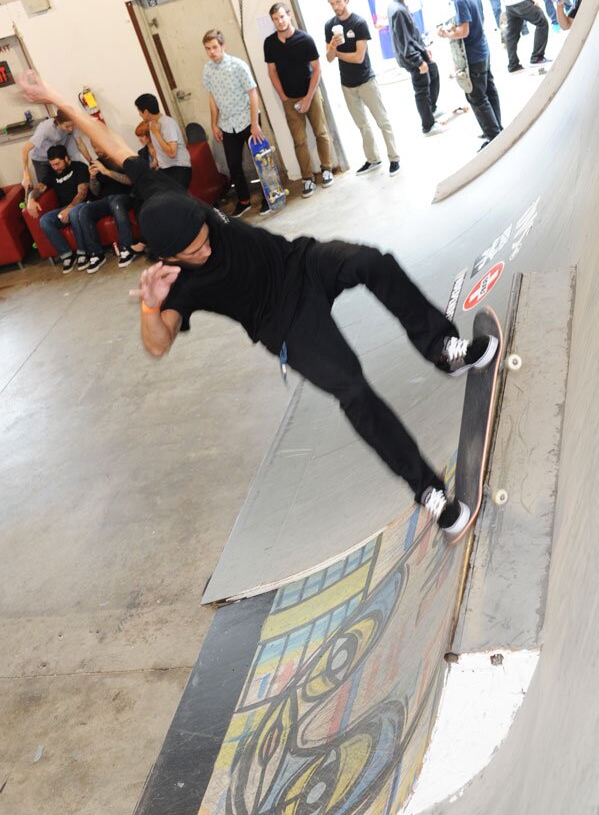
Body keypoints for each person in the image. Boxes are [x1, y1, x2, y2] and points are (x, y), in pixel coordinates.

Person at [19, 70, 501, 538]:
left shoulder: (160, 189)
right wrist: (149, 306)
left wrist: (55, 97)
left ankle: (442, 348)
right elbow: (158, 344)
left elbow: (110, 141)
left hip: (299, 262)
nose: (205, 250)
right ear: (168, 257)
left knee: (373, 262)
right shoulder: (177, 282)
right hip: (284, 323)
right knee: (352, 390)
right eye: (192, 253)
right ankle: (429, 491)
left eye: (205, 236)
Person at [325, 0, 401, 177]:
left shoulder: (359, 23)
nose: (335, 7)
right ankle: (373, 159)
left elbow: (359, 57)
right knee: (362, 125)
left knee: (382, 121)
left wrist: (338, 53)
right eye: (332, 4)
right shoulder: (329, 26)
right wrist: (333, 45)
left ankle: (394, 158)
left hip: (366, 80)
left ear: (346, 0)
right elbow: (328, 57)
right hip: (347, 84)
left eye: (338, 2)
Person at [264, 2, 334, 199]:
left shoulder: (305, 39)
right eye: (275, 19)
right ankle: (307, 178)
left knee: (321, 133)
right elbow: (272, 72)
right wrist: (284, 98)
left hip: (310, 94)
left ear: (289, 16)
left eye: (282, 17)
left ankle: (326, 169)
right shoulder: (269, 43)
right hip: (289, 98)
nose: (279, 21)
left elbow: (317, 69)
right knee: (299, 141)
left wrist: (308, 98)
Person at [203, 28, 269, 217]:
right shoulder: (207, 70)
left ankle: (268, 197)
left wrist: (254, 123)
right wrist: (214, 124)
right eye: (208, 48)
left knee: (260, 160)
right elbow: (212, 98)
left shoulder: (238, 65)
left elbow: (252, 92)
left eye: (215, 47)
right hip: (227, 124)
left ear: (223, 46)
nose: (212, 52)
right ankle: (244, 200)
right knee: (233, 164)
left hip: (247, 120)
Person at [438, 0, 503, 150]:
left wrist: (447, 33)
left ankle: (494, 137)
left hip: (473, 55)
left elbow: (463, 31)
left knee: (476, 96)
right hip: (482, 48)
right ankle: (496, 127)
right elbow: (479, 19)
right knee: (489, 89)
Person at [388, 0, 446, 137]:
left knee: (433, 71)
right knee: (421, 89)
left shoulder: (399, 6)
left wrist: (424, 50)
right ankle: (428, 126)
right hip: (411, 56)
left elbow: (410, 34)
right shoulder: (398, 10)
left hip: (416, 50)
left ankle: (431, 109)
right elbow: (404, 40)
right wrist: (418, 61)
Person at [25, 143, 90, 274]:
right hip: (64, 208)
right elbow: (40, 188)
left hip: (82, 205)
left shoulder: (79, 167)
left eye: (58, 164)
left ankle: (83, 252)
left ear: (66, 158)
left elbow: (82, 193)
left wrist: (69, 208)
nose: (55, 168)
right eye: (52, 165)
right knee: (45, 221)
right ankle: (67, 255)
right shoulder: (52, 172)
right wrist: (31, 198)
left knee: (73, 213)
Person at [76, 142, 137, 273]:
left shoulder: (120, 158)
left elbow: (130, 180)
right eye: (94, 147)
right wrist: (92, 177)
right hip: (105, 200)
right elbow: (96, 191)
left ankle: (127, 248)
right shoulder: (97, 163)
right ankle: (96, 253)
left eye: (98, 146)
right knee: (84, 211)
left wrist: (107, 172)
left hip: (124, 197)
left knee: (115, 202)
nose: (97, 150)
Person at [134, 93, 192, 188]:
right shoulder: (151, 124)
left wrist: (156, 134)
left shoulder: (167, 123)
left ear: (146, 112)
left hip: (179, 167)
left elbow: (172, 153)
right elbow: (158, 147)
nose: (139, 114)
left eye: (139, 111)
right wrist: (155, 162)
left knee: (173, 199)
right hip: (165, 168)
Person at [21, 109, 90, 189]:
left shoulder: (72, 125)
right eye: (67, 126)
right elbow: (25, 149)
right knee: (45, 186)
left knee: (64, 182)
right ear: (59, 123)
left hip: (56, 156)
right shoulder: (46, 128)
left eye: (72, 125)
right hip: (40, 159)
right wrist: (26, 174)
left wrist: (90, 161)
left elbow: (80, 143)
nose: (71, 129)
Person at [496, 0, 550, 71]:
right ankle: (537, 57)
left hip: (509, 3)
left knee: (512, 35)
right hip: (520, 0)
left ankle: (513, 64)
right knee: (542, 23)